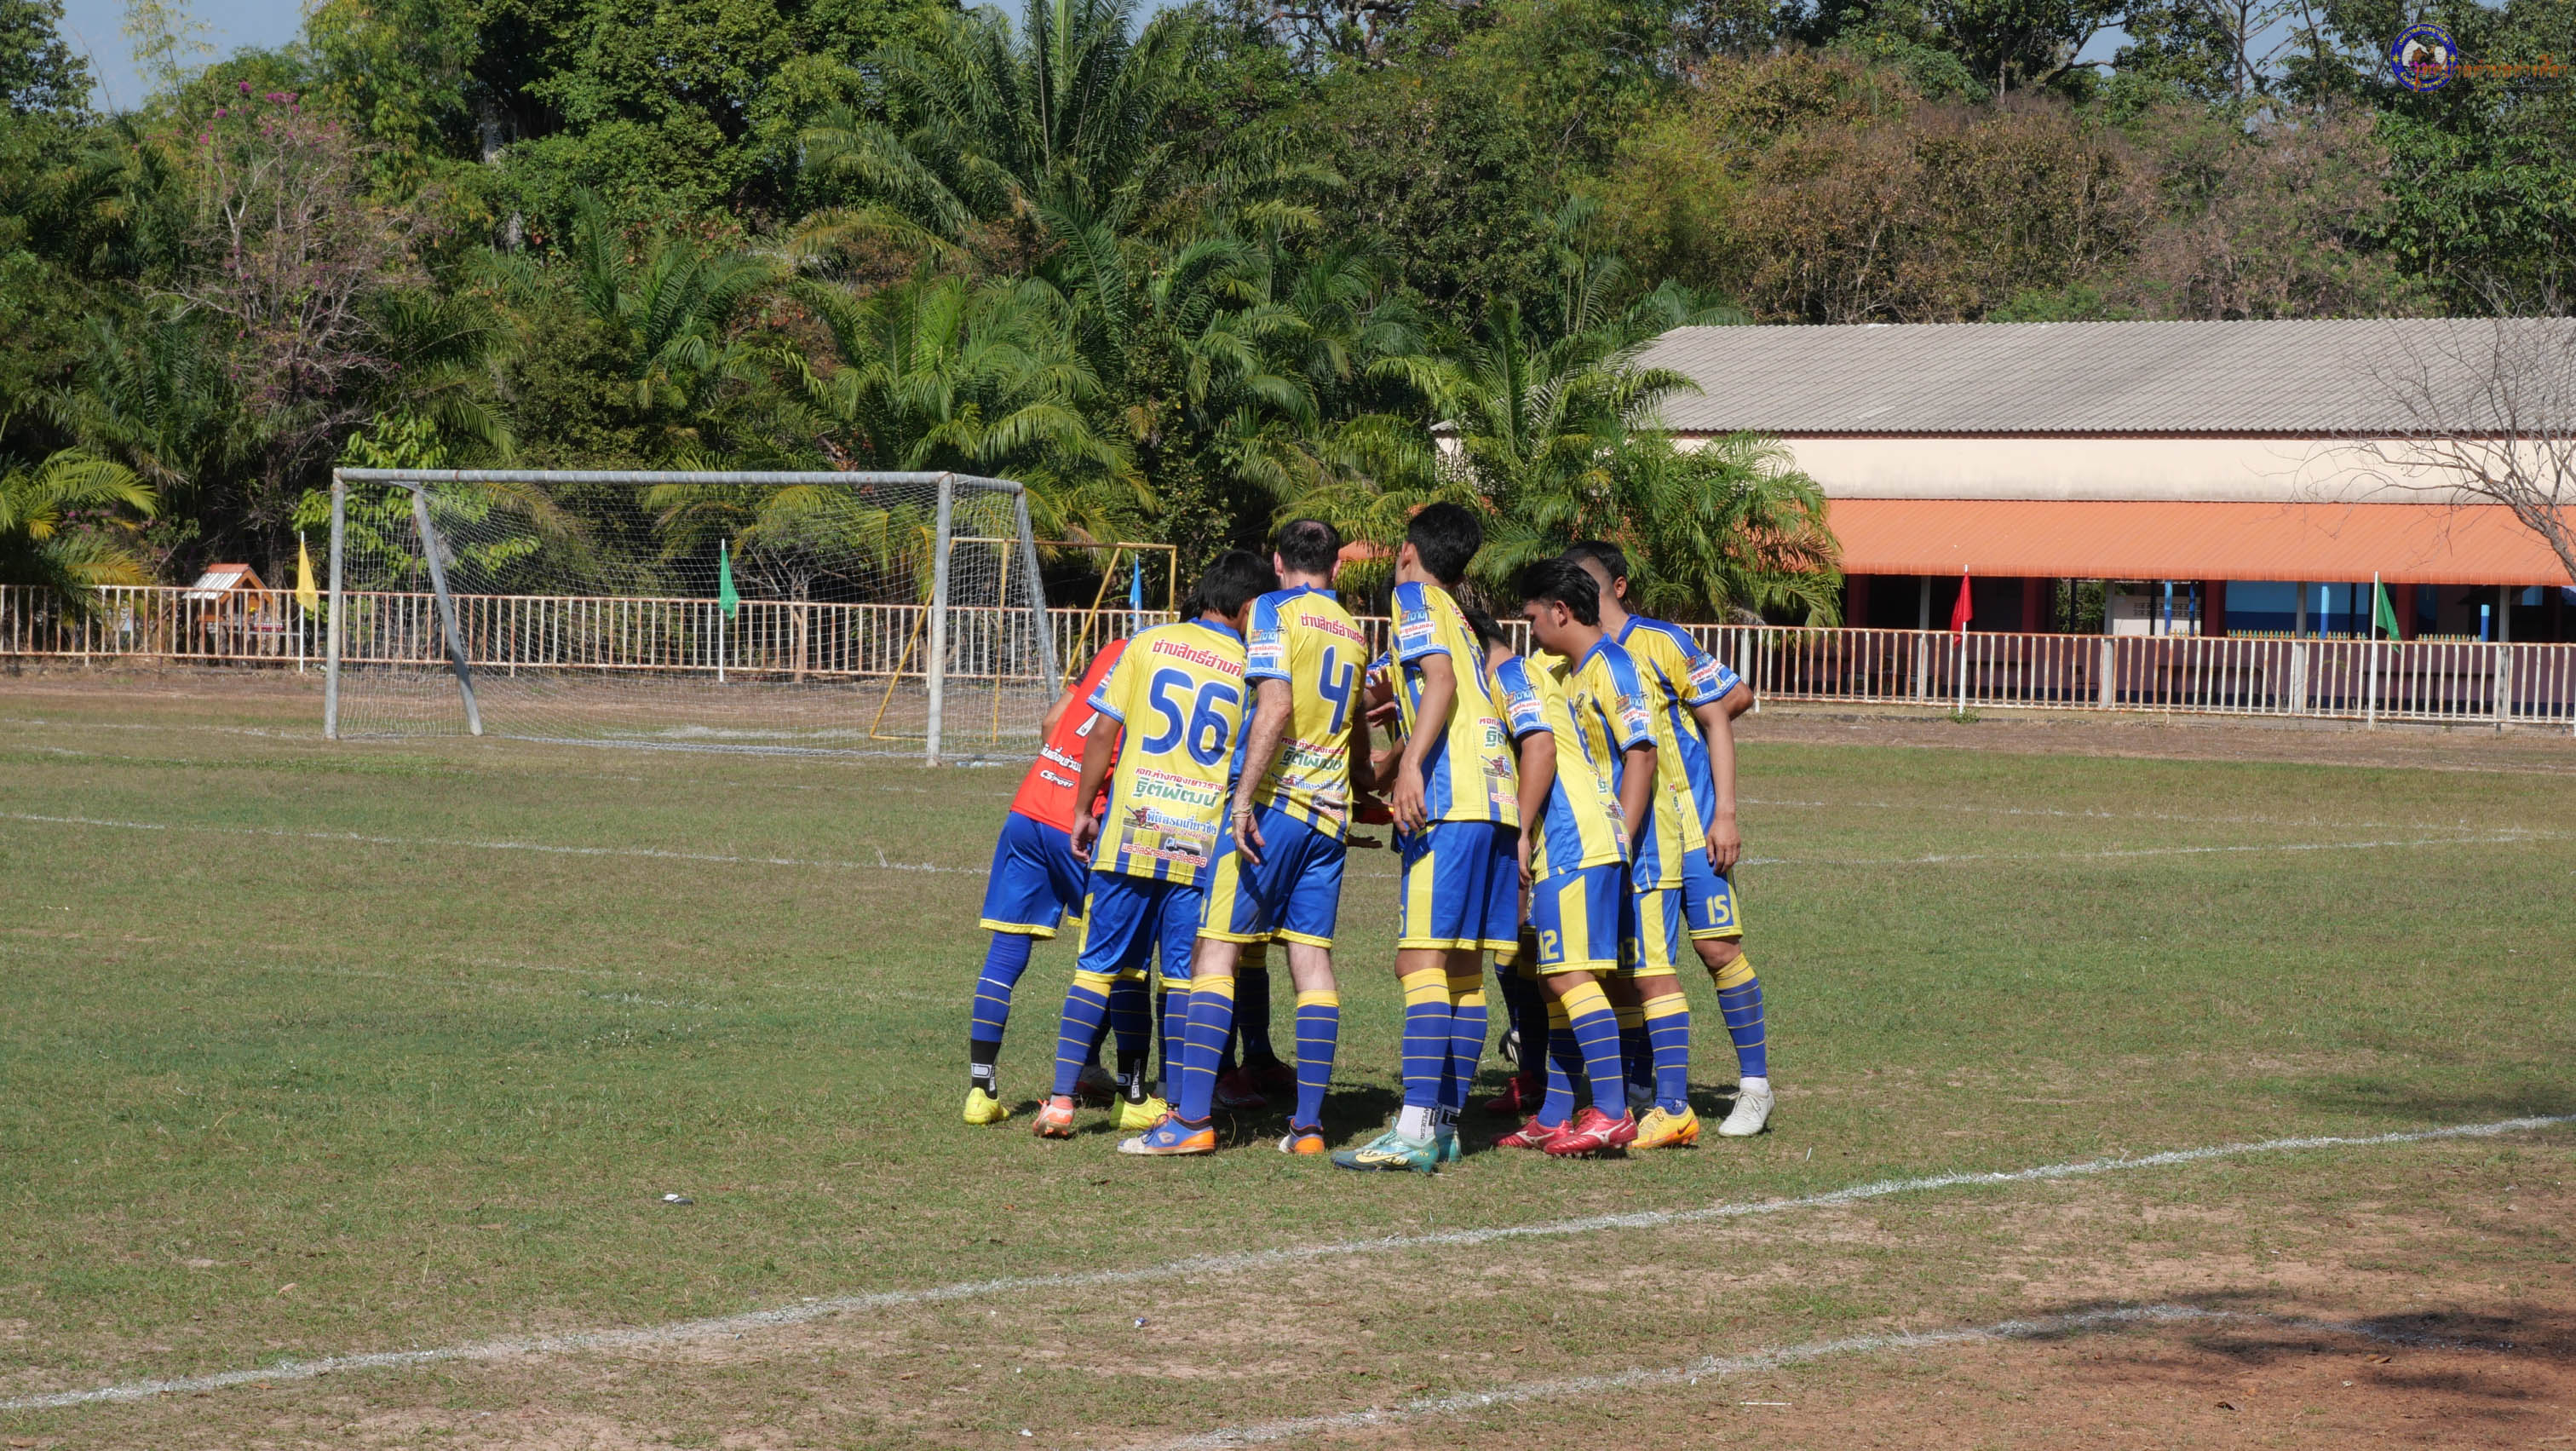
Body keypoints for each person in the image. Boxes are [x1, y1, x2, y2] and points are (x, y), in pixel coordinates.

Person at [1124, 521, 1371, 1157]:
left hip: (1275, 808)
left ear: (1278, 563)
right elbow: (1353, 729)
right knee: (1311, 960)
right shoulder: (1353, 629)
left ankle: (1192, 1121)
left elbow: (1276, 705)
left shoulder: (1270, 610)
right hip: (1329, 816)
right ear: (1336, 567)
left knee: (1214, 951)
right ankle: (1308, 1128)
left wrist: (1242, 800)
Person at [1031, 551, 1279, 1138]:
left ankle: (1061, 1101)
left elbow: (1103, 731)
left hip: (1130, 831)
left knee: (1096, 966)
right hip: (1199, 841)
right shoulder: (1251, 666)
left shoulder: (1147, 642)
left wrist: (1084, 808)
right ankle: (1176, 1097)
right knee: (1185, 978)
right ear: (1248, 608)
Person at [1562, 541, 1772, 1138]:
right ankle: (1640, 1084)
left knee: (1718, 949)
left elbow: (1730, 701)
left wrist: (1724, 812)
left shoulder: (1660, 641)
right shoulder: (1573, 659)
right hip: (1634, 833)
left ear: (1618, 587)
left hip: (1694, 826)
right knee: (1635, 961)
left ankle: (1755, 1087)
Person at [1335, 503, 1520, 1174]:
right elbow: (1447, 693)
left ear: (1408, 553)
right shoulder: (1463, 618)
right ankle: (1442, 1125)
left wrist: (1410, 764)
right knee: (1462, 971)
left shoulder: (1412, 597)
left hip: (1451, 802)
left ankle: (1412, 1129)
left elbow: (1437, 682)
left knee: (1418, 963)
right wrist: (1392, 762)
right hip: (1494, 798)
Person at [1504, 561, 1664, 1154]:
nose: (1530, 630)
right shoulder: (1572, 673)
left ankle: (1616, 1110)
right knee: (1557, 980)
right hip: (1576, 840)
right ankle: (1555, 1111)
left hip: (1592, 841)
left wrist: (1622, 838)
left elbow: (1641, 755)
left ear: (1560, 611)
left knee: (1575, 975)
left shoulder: (1615, 665)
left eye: (1532, 617)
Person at [963, 638, 1138, 1124]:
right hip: (1082, 821)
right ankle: (1131, 1097)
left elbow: (1051, 721)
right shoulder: (1165, 660)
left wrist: (1061, 773)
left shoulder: (1115, 648)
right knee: (1117, 955)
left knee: (1006, 951)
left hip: (1031, 806)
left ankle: (981, 1092)